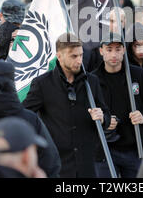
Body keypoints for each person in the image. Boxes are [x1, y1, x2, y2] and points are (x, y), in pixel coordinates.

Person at [23, 33, 110, 178]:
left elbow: (106, 114)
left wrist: (102, 118)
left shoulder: (92, 81)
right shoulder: (42, 84)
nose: (79, 60)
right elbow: (24, 115)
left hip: (87, 162)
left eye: (81, 55)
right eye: (73, 56)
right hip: (56, 163)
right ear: (59, 56)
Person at [92, 33, 143, 178]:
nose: (114, 54)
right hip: (105, 150)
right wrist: (104, 119)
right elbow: (85, 111)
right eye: (109, 49)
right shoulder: (92, 80)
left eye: (118, 49)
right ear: (101, 51)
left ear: (124, 50)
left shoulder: (137, 74)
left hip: (135, 148)